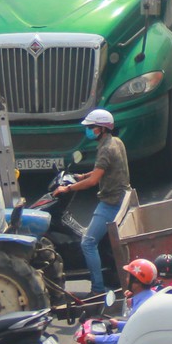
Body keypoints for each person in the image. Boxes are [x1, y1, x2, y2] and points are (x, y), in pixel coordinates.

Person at [64, 108, 132, 296]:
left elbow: (94, 181)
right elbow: (103, 171)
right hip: (122, 197)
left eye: (91, 127)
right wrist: (82, 175)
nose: (88, 130)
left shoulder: (105, 149)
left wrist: (67, 188)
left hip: (111, 203)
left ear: (101, 129)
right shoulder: (115, 142)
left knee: (87, 243)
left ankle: (97, 289)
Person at [82, 258, 159, 344]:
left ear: (136, 281)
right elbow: (136, 326)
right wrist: (118, 324)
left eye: (128, 277)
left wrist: (96, 339)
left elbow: (126, 339)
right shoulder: (150, 296)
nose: (126, 279)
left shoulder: (141, 308)